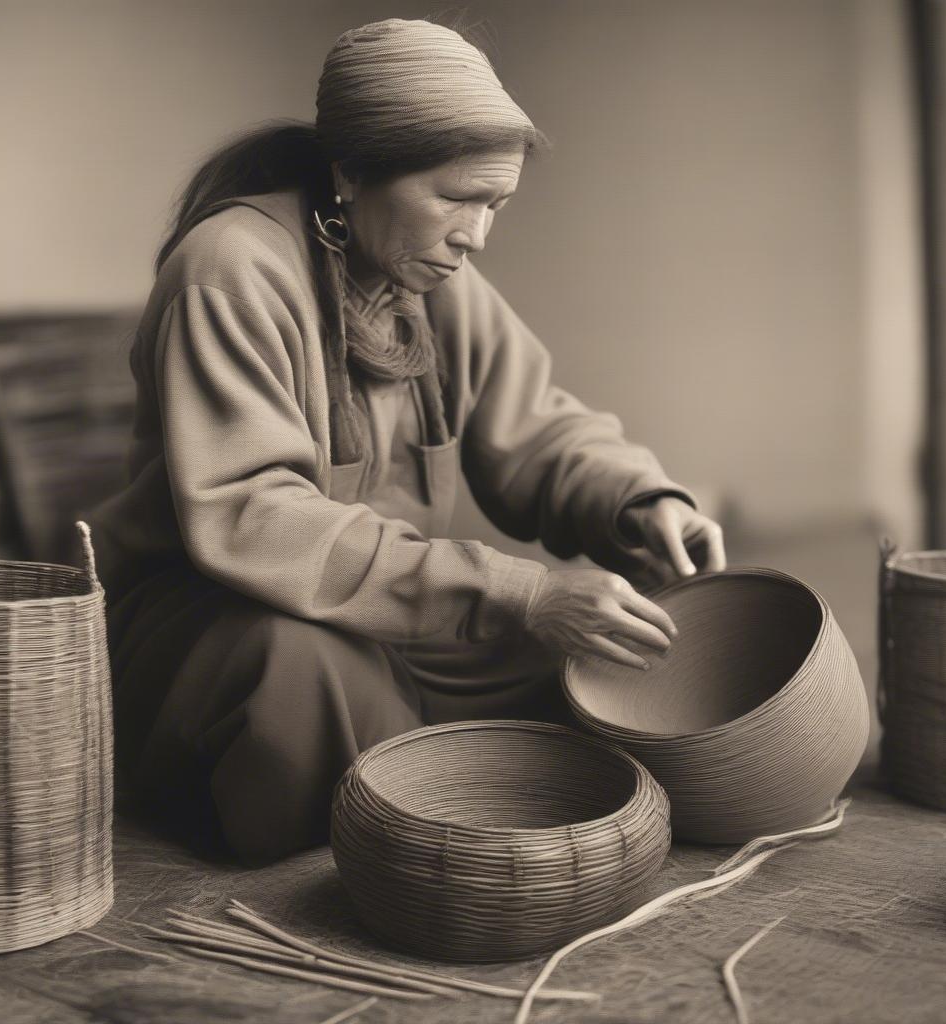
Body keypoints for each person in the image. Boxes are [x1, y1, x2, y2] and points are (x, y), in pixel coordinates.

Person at [88, 18, 726, 866]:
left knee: (621, 653)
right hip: (213, 624)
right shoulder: (231, 268)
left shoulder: (429, 274)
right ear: (350, 172)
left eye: (494, 204)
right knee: (303, 676)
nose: (477, 234)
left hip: (385, 614)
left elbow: (537, 425)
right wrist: (520, 589)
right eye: (456, 198)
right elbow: (255, 517)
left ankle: (437, 787)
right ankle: (394, 836)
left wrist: (639, 501)